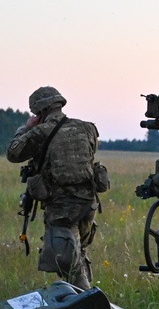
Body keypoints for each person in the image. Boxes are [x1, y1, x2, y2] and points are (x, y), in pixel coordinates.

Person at [7, 86, 102, 290]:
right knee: (78, 252)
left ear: (39, 112)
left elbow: (13, 153)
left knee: (68, 261)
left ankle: (88, 306)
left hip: (62, 206)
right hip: (88, 203)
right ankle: (85, 301)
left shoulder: (41, 131)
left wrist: (26, 128)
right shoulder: (86, 128)